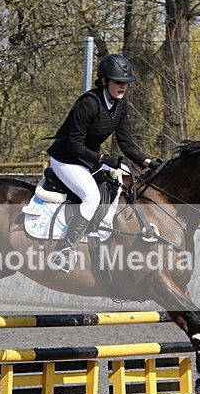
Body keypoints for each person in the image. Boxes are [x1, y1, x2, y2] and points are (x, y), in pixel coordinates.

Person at [46, 54, 161, 273]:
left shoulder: (120, 104)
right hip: (66, 159)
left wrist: (148, 162)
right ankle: (64, 251)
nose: (123, 87)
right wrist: (102, 159)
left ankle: (99, 234)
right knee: (92, 197)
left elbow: (126, 144)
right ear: (104, 81)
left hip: (87, 159)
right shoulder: (88, 103)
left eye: (126, 83)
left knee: (124, 180)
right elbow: (73, 144)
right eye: (118, 82)